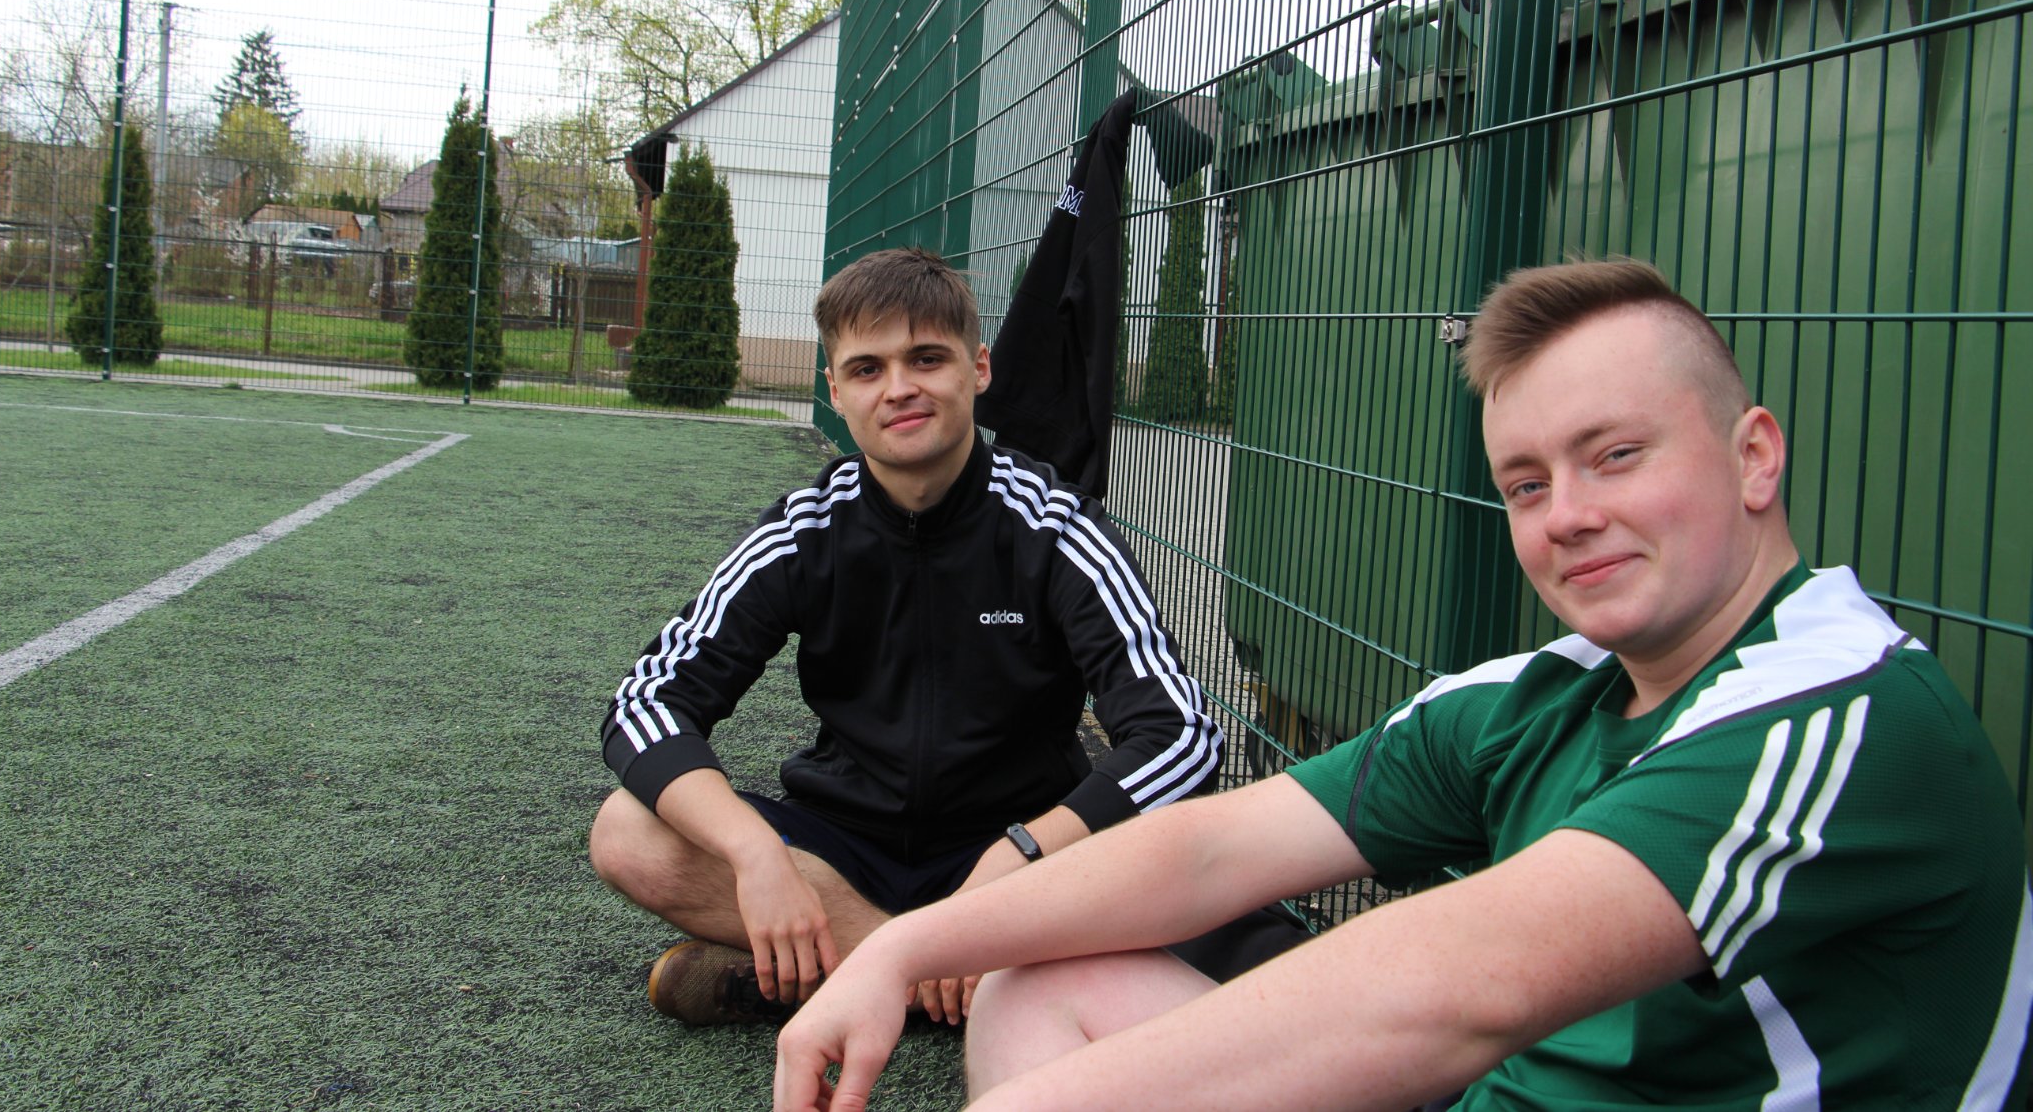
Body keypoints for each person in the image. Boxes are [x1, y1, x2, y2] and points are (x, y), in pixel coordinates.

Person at [773, 257, 2033, 1110]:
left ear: (1752, 457)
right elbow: (1216, 849)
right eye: (1527, 483)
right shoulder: (1548, 691)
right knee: (1037, 978)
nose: (1567, 514)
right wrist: (908, 949)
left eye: (1615, 456)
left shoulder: (1835, 711)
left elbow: (1450, 991)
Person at [591, 246, 1223, 1026]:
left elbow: (1182, 733)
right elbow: (648, 702)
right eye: (867, 368)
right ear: (836, 390)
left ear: (978, 367)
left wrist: (1022, 851)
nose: (899, 388)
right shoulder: (805, 531)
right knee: (627, 829)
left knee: (1184, 856)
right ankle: (938, 975)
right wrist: (755, 852)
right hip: (846, 850)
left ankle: (852, 974)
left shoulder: (1056, 527)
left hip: (1016, 854)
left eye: (926, 358)